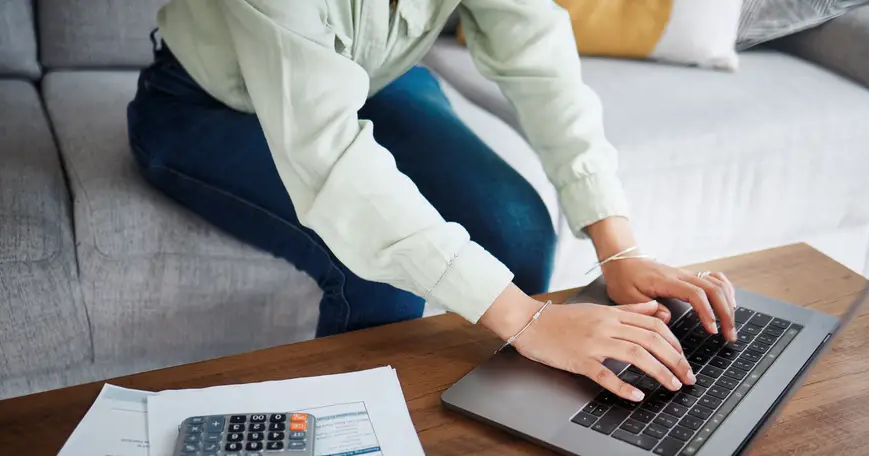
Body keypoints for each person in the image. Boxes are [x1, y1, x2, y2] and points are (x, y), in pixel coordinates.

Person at [127, 0, 738, 402]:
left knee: (520, 229)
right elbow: (330, 161)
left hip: (374, 81)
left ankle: (504, 420)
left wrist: (619, 248)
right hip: (208, 107)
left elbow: (540, 63)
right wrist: (528, 318)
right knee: (373, 273)